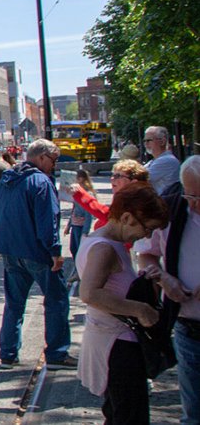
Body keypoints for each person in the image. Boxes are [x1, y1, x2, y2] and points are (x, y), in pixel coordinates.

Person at [77, 182, 170, 425]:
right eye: (146, 228)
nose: (147, 236)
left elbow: (112, 286)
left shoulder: (105, 241)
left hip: (111, 341)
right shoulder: (105, 249)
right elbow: (89, 293)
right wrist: (140, 309)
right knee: (129, 416)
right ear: (127, 217)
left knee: (120, 412)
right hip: (116, 346)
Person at [0, 139, 75, 371]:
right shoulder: (40, 182)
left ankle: (7, 353)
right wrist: (55, 251)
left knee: (14, 303)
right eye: (53, 160)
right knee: (57, 300)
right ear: (42, 157)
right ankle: (57, 353)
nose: (54, 166)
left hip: (10, 250)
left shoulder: (9, 178)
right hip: (35, 251)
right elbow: (48, 222)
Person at [138, 155, 200, 424]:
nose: (195, 204)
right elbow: (146, 256)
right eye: (191, 196)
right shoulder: (172, 210)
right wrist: (164, 278)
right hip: (189, 325)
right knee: (194, 411)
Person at [73, 159, 150, 233]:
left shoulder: (138, 202)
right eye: (112, 175)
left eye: (118, 176)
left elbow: (110, 218)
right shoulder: (122, 199)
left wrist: (80, 194)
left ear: (133, 183)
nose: (112, 179)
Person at [65, 168, 97, 260]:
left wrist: (85, 232)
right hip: (75, 225)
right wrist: (69, 225)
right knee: (73, 248)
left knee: (80, 250)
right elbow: (74, 209)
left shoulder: (87, 194)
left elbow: (89, 214)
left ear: (80, 179)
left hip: (81, 226)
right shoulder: (77, 193)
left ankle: (79, 269)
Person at [143, 125, 181, 195]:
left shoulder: (167, 160)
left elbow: (139, 178)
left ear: (162, 141)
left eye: (149, 140)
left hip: (164, 203)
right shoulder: (153, 161)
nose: (145, 143)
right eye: (144, 141)